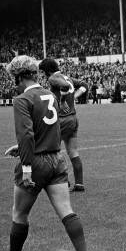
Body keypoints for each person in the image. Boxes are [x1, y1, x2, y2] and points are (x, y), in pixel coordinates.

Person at [0, 55, 94, 251]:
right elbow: (50, 130)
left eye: (13, 78)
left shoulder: (21, 100)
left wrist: (26, 166)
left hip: (36, 163)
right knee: (67, 210)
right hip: (56, 159)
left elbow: (26, 134)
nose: (13, 83)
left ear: (18, 77)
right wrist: (23, 147)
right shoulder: (50, 95)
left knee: (19, 213)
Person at [39, 59, 89, 192]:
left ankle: (64, 181)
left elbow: (65, 87)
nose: (43, 75)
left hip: (61, 120)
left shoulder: (53, 78)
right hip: (73, 118)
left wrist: (62, 100)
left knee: (52, 151)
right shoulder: (67, 76)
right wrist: (74, 97)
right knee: (73, 151)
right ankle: (79, 184)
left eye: (43, 72)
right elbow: (84, 85)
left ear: (48, 70)